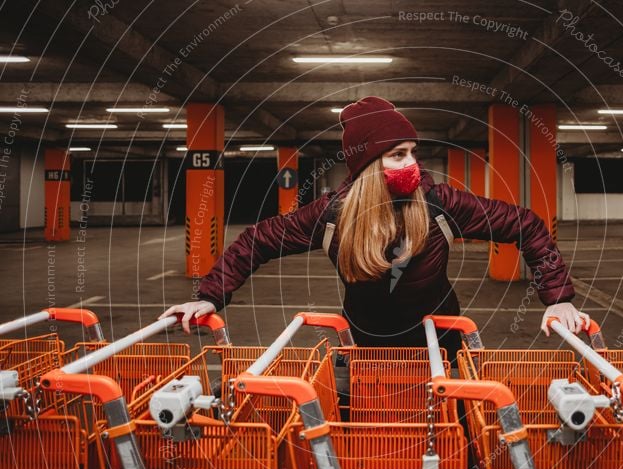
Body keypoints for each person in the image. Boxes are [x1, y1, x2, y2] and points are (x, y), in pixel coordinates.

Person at [160, 96, 588, 353]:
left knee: (457, 441)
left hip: (442, 340)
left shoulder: (440, 204)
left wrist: (558, 297)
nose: (412, 163)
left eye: (412, 152)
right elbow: (256, 241)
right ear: (367, 165)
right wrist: (210, 297)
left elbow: (526, 225)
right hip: (365, 347)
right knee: (365, 444)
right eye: (398, 154)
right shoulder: (332, 215)